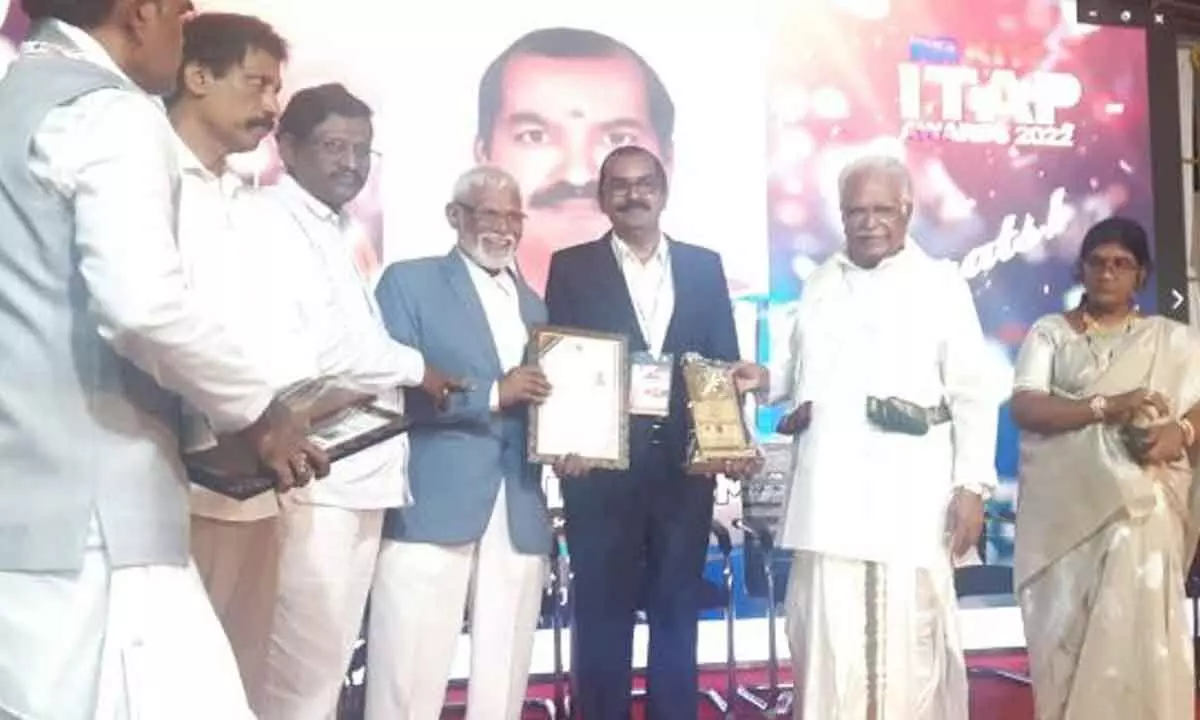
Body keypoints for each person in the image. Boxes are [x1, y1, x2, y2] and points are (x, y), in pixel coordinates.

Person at [0, 1, 329, 718]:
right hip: (101, 518)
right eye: (183, 12)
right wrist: (259, 412)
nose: (185, 30)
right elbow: (143, 305)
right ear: (141, 12)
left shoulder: (13, 101)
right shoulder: (109, 112)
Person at [255, 82, 462, 720]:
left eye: (363, 149)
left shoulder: (334, 230)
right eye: (333, 146)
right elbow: (327, 355)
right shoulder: (272, 221)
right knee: (297, 676)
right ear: (286, 147)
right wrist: (417, 367)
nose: (350, 162)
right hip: (318, 479)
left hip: (360, 477)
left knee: (326, 667)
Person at [767, 155, 996, 719]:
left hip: (908, 498)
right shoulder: (820, 283)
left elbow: (972, 391)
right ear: (841, 217)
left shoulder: (941, 283)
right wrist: (763, 382)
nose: (868, 223)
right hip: (829, 499)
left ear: (907, 211)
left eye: (880, 210)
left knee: (910, 647)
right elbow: (796, 373)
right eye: (855, 212)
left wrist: (971, 487)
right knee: (828, 640)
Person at [545, 145, 765, 720]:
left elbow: (723, 361)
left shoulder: (703, 265)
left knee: (676, 617)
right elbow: (563, 362)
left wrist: (732, 443)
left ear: (663, 192)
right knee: (602, 621)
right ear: (602, 197)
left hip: (680, 473)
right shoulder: (571, 266)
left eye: (644, 184)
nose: (632, 195)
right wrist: (566, 439)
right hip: (599, 472)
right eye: (618, 185)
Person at [368, 165, 552, 720]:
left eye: (514, 216)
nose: (504, 228)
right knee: (408, 668)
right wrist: (494, 394)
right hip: (434, 500)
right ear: (456, 216)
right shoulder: (408, 282)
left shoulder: (535, 305)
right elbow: (387, 388)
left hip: (517, 501)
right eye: (491, 214)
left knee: (506, 671)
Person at [165, 12, 305, 710]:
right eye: (256, 85)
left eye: (276, 89)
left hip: (259, 486)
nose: (271, 106)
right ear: (196, 76)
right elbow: (157, 329)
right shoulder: (149, 183)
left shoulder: (247, 201)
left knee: (243, 686)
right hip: (177, 488)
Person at [1011, 217, 1200, 720]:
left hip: (1142, 510)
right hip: (1064, 518)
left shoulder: (1172, 340)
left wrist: (1179, 434)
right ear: (1081, 268)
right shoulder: (1051, 334)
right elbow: (1026, 407)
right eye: (1097, 262)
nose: (1107, 273)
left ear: (1141, 275)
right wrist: (1107, 406)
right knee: (1067, 642)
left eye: (1122, 264)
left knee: (1138, 639)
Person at [475, 27, 674, 296]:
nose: (578, 175)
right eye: (535, 136)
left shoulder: (732, 308)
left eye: (617, 138)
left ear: (667, 162)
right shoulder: (426, 305)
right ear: (484, 159)